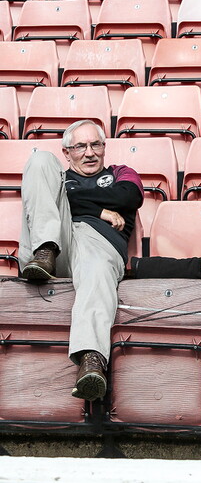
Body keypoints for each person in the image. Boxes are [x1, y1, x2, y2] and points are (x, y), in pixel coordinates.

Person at [18, 119, 144, 401]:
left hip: (96, 244)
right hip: (53, 246)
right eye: (80, 146)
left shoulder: (121, 172)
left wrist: (77, 198)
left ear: (104, 147)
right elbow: (107, 202)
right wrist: (102, 210)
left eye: (95, 144)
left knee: (95, 267)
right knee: (38, 161)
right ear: (67, 153)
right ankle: (45, 250)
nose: (89, 152)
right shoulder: (56, 178)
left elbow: (128, 197)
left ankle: (92, 361)